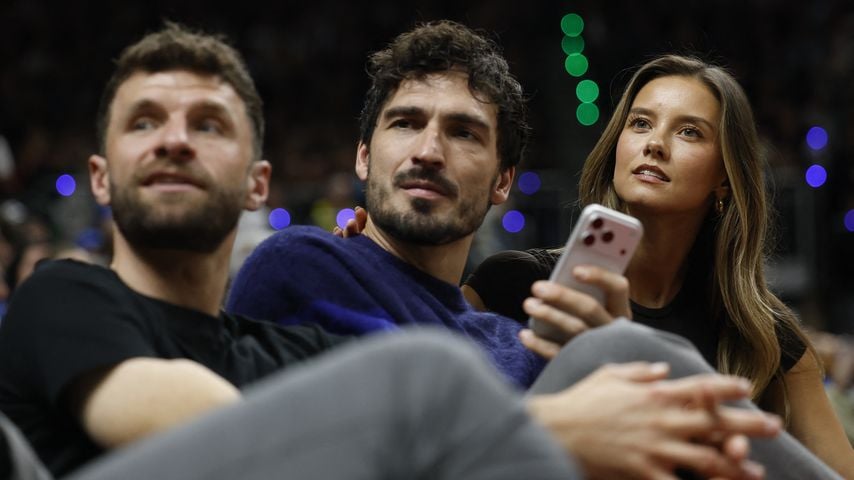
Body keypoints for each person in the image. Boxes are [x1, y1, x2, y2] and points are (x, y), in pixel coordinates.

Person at [0, 22, 794, 480]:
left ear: (257, 184)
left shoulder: (277, 347)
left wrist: (598, 362)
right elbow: (229, 433)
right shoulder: (69, 296)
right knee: (427, 378)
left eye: (209, 125)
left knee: (624, 347)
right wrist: (550, 424)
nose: (427, 151)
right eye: (146, 122)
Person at [462, 54, 854, 476]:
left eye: (689, 132)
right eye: (640, 123)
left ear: (724, 177)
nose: (654, 143)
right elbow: (445, 439)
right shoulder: (511, 284)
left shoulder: (763, 337)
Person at [227, 20, 544, 387]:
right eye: (406, 123)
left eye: (463, 133)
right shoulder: (304, 267)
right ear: (363, 157)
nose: (428, 153)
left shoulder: (520, 347)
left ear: (502, 180)